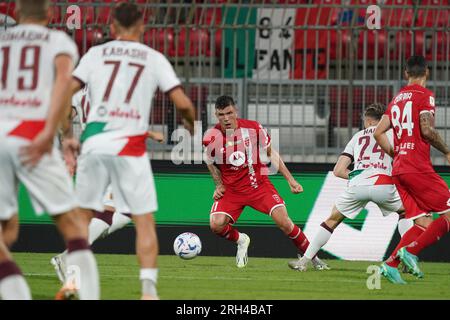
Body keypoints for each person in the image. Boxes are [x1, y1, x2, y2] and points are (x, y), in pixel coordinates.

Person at [65, 2, 195, 300]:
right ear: (142, 27)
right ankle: (148, 291)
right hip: (130, 146)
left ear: (112, 28)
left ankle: (71, 280)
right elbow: (184, 104)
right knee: (143, 221)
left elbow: (65, 92)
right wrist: (189, 124)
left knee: (82, 218)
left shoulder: (94, 54)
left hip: (94, 142)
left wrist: (65, 136)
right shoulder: (153, 57)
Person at [0, 0, 99, 299]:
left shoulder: (3, 41)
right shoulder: (58, 41)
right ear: (51, 14)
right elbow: (64, 87)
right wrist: (60, 133)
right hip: (31, 135)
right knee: (73, 227)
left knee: (6, 233)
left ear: (16, 13)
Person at [51, 84, 165, 285]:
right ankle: (68, 257)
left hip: (92, 153)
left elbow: (66, 115)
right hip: (110, 152)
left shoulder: (79, 90)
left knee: (125, 212)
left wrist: (64, 140)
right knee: (108, 211)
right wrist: (150, 134)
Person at [203, 95, 329, 270]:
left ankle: (313, 258)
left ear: (235, 111)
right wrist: (218, 184)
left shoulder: (253, 128)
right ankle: (241, 240)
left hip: (258, 186)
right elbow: (210, 161)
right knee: (216, 225)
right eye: (221, 114)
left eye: (229, 113)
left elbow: (271, 153)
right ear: (216, 115)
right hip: (232, 190)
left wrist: (290, 180)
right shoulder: (211, 137)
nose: (226, 118)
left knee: (284, 222)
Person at [288, 103, 407, 276]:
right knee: (406, 212)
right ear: (384, 120)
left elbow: (338, 170)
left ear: (367, 120)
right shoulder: (392, 134)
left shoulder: (357, 137)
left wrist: (359, 176)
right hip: (383, 183)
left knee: (332, 219)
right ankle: (405, 258)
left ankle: (304, 261)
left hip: (357, 184)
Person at [374, 55, 450, 281]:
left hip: (399, 169)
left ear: (405, 73)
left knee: (423, 223)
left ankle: (391, 264)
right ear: (427, 71)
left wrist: (395, 153)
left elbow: (378, 132)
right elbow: (426, 130)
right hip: (417, 166)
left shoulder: (396, 99)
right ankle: (410, 252)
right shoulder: (425, 96)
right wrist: (446, 151)